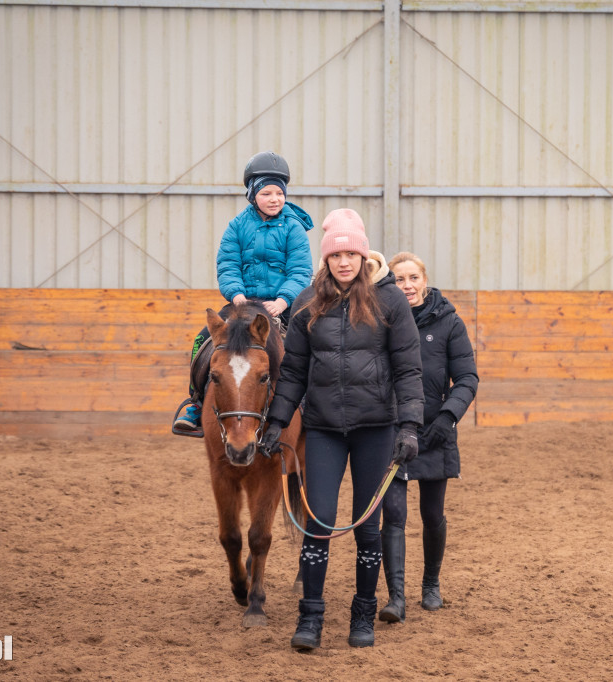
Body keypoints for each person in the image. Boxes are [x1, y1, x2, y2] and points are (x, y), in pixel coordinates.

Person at [259, 209, 424, 650]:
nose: (345, 261)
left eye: (352, 253)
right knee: (320, 520)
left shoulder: (389, 302)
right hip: (325, 428)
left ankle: (363, 613)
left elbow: (409, 369)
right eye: (337, 254)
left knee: (368, 525)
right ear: (327, 258)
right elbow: (293, 371)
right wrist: (277, 421)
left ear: (363, 255)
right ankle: (310, 617)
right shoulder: (307, 302)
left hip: (376, 428)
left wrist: (409, 426)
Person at [172, 151, 314, 434]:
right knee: (202, 340)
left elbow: (300, 270)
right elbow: (227, 264)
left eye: (279, 193)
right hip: (242, 303)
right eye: (266, 193)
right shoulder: (237, 226)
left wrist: (283, 300)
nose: (275, 199)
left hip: (279, 305)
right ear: (252, 195)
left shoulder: (294, 228)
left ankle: (311, 404)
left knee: (309, 344)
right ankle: (196, 402)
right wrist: (236, 294)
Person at [377, 252, 479, 623]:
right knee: (394, 513)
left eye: (413, 278)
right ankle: (396, 597)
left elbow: (467, 378)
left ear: (424, 279)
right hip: (394, 428)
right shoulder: (381, 320)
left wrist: (449, 416)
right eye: (399, 279)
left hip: (437, 430)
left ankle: (431, 585)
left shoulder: (449, 322)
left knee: (432, 512)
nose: (407, 286)